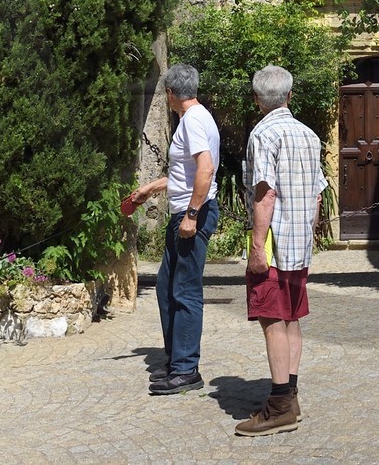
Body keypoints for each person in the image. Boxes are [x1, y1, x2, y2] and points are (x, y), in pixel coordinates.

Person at [235, 64, 327, 437]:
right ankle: (291, 393)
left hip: (274, 243)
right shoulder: (309, 134)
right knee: (291, 318)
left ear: (257, 100)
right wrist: (309, 230)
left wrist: (258, 246)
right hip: (299, 241)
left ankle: (278, 407)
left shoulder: (263, 134)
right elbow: (319, 194)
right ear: (290, 97)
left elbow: (265, 193)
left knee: (273, 319)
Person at [123, 63, 221, 395]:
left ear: (169, 94)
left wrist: (192, 215)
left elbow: (205, 170)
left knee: (185, 292)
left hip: (192, 215)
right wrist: (152, 188)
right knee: (168, 286)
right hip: (185, 211)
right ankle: (176, 360)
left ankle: (186, 370)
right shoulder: (196, 118)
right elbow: (188, 174)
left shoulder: (192, 121)